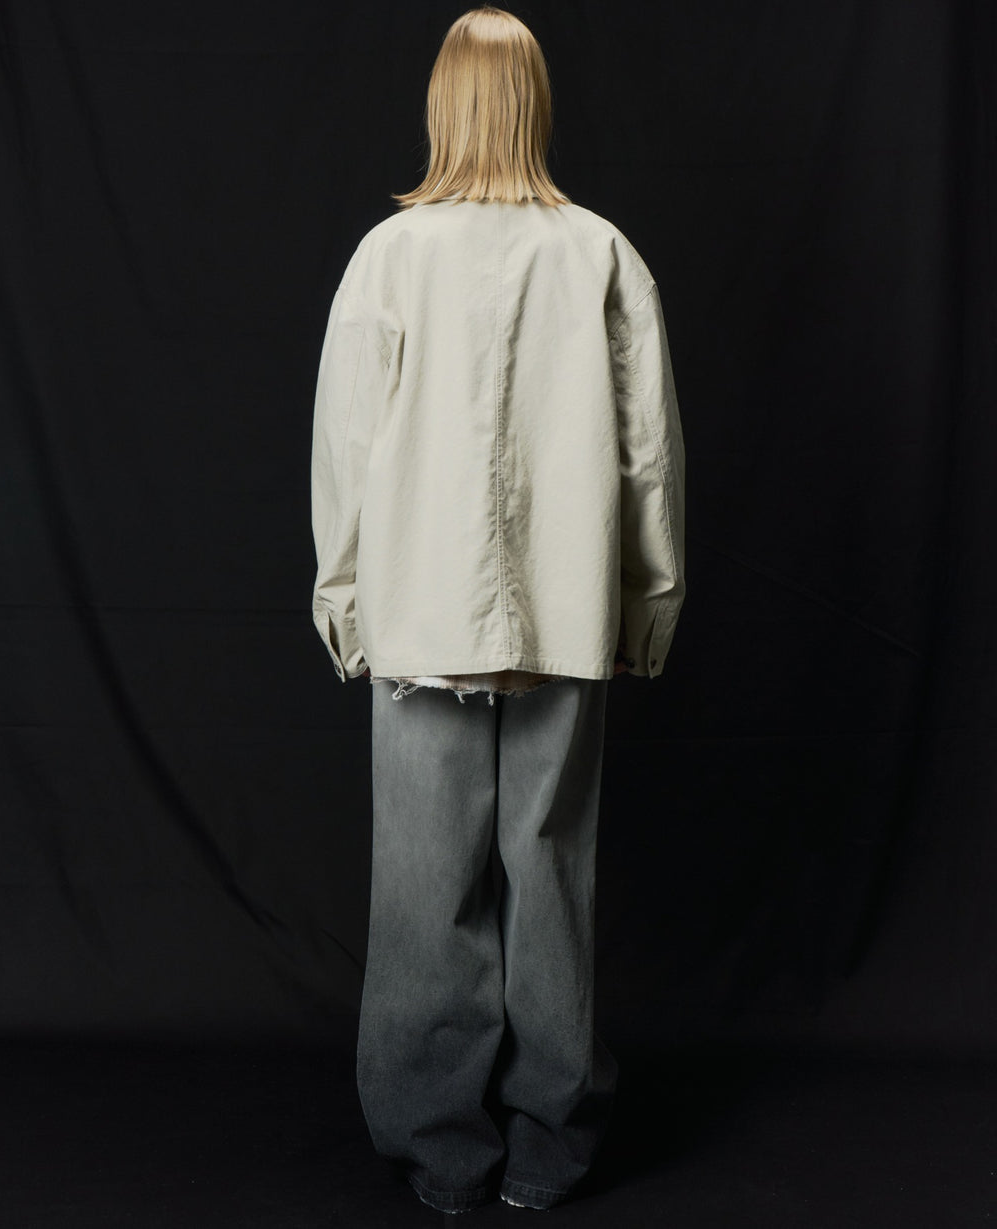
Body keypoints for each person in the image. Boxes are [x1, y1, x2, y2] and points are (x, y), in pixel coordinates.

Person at [309, 4, 685, 1213]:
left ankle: (441, 1154)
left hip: (420, 613)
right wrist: (647, 607)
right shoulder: (602, 253)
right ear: (534, 105)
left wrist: (345, 598)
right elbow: (648, 457)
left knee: (425, 894)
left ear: (443, 104)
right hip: (566, 613)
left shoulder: (389, 255)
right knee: (551, 874)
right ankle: (549, 1145)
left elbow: (346, 446)